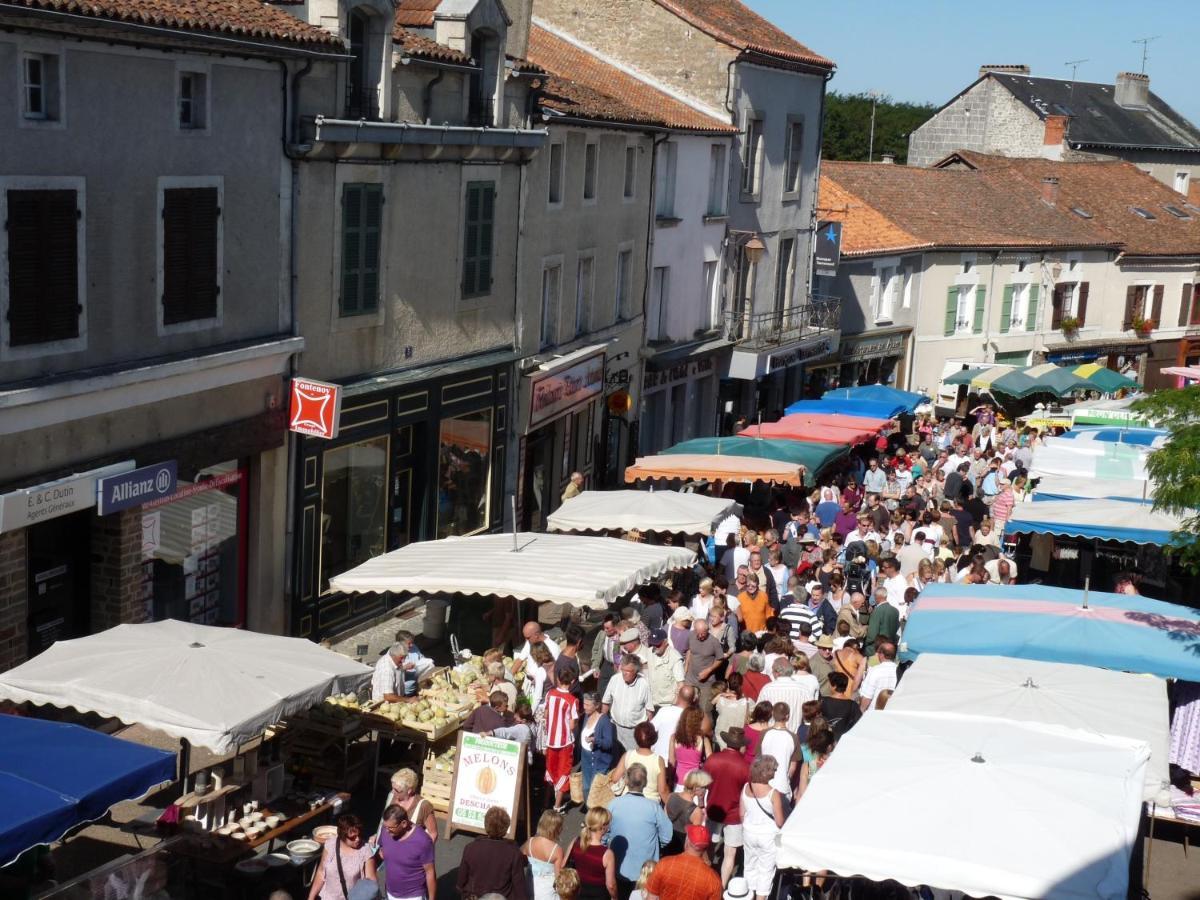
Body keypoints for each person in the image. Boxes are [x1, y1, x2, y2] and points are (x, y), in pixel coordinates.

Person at [607, 764, 673, 896]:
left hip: (619, 867)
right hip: (646, 871)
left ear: (626, 781)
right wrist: (654, 846)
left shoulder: (614, 804)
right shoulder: (653, 807)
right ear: (645, 783)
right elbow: (667, 836)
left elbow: (604, 833)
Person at [701, 727, 751, 887]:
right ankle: (721, 888)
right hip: (735, 815)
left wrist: (702, 805)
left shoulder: (712, 760)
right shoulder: (745, 766)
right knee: (730, 853)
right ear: (741, 745)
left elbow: (702, 786)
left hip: (714, 809)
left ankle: (706, 880)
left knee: (709, 847)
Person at [457, 806, 527, 900]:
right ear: (506, 828)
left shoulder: (471, 848)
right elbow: (519, 887)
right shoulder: (514, 853)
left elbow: (461, 882)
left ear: (486, 825)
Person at [740, 757, 786, 900]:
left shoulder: (746, 787)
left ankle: (748, 895)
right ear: (766, 771)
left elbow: (742, 814)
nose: (775, 772)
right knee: (765, 871)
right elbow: (779, 822)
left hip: (749, 833)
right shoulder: (773, 793)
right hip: (768, 836)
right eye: (774, 769)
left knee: (749, 866)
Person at [308, 814, 377, 900]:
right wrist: (311, 897)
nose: (358, 839)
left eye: (359, 835)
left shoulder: (365, 851)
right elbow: (321, 872)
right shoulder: (330, 845)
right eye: (352, 837)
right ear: (342, 836)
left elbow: (371, 884)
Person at [644, 825, 722, 900]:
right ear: (706, 848)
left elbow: (651, 898)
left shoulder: (663, 864)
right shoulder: (713, 880)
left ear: (687, 840)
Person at [377, 805, 436, 900]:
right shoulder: (386, 830)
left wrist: (432, 898)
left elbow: (430, 872)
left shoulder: (422, 841)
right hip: (390, 892)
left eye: (391, 828)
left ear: (404, 823)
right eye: (385, 827)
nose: (387, 831)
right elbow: (382, 849)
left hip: (413, 896)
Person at [545, 668, 580, 812]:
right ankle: (557, 806)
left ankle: (546, 802)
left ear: (559, 679)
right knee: (563, 772)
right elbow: (572, 725)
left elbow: (546, 714)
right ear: (572, 681)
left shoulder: (550, 694)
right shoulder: (572, 700)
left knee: (551, 771)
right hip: (565, 742)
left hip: (550, 740)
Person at [609, 721, 670, 804]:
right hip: (650, 802)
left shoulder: (628, 755)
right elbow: (662, 790)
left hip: (628, 799)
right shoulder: (658, 760)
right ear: (654, 738)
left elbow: (615, 778)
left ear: (636, 737)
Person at [603, 655, 652, 753]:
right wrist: (603, 724)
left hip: (634, 732)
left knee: (632, 760)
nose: (624, 673)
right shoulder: (615, 680)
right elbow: (605, 702)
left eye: (628, 671)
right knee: (616, 759)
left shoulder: (643, 684)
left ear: (635, 672)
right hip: (615, 727)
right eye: (623, 670)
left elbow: (649, 711)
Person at [567, 808, 619, 900]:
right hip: (599, 895)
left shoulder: (575, 842)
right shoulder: (607, 854)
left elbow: (564, 865)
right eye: (608, 823)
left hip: (577, 892)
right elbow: (611, 885)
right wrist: (615, 897)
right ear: (603, 827)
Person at [379, 768, 438, 844]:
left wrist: (424, 853)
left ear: (409, 791)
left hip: (409, 850)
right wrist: (377, 836)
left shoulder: (424, 806)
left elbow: (433, 834)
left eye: (397, 790)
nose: (393, 792)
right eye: (392, 788)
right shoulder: (391, 796)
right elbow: (385, 822)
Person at [757, 659, 817, 732]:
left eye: (772, 671)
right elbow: (811, 714)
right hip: (795, 736)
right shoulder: (804, 690)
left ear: (777, 673)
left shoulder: (767, 689)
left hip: (772, 734)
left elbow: (759, 713)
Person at [580, 692, 616, 807]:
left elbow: (609, 743)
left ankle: (594, 821)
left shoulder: (604, 721)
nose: (584, 707)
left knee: (594, 792)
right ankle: (590, 816)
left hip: (598, 761)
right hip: (586, 759)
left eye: (588, 705)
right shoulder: (586, 716)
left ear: (596, 706)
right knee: (586, 789)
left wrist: (596, 740)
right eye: (584, 704)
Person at [757, 703, 798, 801]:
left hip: (764, 785)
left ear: (772, 713)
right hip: (782, 786)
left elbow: (758, 759)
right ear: (787, 716)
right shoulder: (793, 737)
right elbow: (793, 767)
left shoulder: (764, 733)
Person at [684, 617, 725, 713]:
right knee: (687, 706)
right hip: (690, 678)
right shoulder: (691, 636)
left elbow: (720, 659)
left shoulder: (714, 642)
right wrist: (686, 667)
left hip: (706, 681)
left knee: (704, 710)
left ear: (708, 630)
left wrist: (709, 670)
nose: (701, 636)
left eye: (703, 633)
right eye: (698, 633)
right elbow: (689, 650)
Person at [523, 810, 567, 900]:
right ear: (556, 829)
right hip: (546, 892)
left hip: (529, 886)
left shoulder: (530, 842)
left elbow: (519, 856)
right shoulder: (557, 850)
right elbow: (558, 876)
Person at [665, 771, 711, 851]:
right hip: (682, 847)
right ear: (696, 788)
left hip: (667, 840)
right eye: (704, 787)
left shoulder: (671, 796)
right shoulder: (696, 811)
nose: (706, 789)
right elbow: (694, 838)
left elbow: (664, 819)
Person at [668, 707, 712, 789]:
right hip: (696, 781)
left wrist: (670, 780)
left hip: (679, 781)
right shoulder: (703, 739)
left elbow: (672, 761)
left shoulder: (674, 737)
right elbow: (710, 762)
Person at [650, 684, 696, 762]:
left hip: (659, 757)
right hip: (680, 761)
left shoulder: (664, 711)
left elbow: (650, 729)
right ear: (693, 700)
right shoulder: (692, 717)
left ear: (678, 695)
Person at [646, 629, 686, 711]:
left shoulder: (675, 658)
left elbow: (681, 684)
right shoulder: (649, 652)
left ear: (666, 642)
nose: (655, 647)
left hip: (668, 705)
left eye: (658, 645)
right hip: (652, 702)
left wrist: (675, 703)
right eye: (652, 644)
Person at [820, 671, 861, 740]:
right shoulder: (853, 705)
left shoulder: (823, 701)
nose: (829, 687)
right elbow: (858, 725)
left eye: (829, 684)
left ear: (834, 686)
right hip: (844, 743)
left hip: (825, 742)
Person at [711, 674, 748, 750]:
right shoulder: (746, 702)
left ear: (727, 684)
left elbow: (712, 703)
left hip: (721, 739)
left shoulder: (721, 700)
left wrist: (722, 694)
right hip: (738, 739)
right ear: (741, 685)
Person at [860, 641, 898, 712]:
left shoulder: (874, 671)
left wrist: (859, 714)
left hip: (873, 713)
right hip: (891, 712)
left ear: (881, 655)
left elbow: (867, 698)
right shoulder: (899, 671)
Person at [796, 730, 834, 801]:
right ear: (829, 747)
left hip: (810, 803)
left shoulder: (808, 766)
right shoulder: (833, 765)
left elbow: (802, 794)